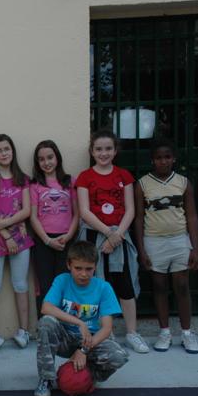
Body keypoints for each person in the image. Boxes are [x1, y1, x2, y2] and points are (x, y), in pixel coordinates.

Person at [75, 130, 147, 353]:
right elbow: (85, 212)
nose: (103, 153)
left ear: (115, 151)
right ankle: (105, 332)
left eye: (108, 148)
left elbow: (130, 209)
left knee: (123, 284)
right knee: (95, 283)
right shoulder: (85, 177)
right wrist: (108, 233)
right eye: (98, 149)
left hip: (120, 237)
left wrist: (117, 237)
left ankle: (132, 333)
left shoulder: (124, 175)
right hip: (93, 236)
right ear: (91, 151)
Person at [33, 241, 129, 396]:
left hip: (90, 341)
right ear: (69, 265)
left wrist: (83, 351)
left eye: (88, 269)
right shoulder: (62, 280)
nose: (83, 274)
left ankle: (87, 375)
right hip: (64, 338)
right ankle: (46, 378)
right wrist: (79, 322)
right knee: (46, 322)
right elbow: (46, 308)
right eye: (78, 268)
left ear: (95, 267)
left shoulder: (104, 288)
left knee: (119, 356)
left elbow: (106, 329)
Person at [134, 139, 198, 354]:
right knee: (160, 286)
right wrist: (142, 250)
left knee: (181, 286)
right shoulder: (142, 184)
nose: (163, 161)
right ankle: (164, 332)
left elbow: (192, 216)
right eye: (159, 158)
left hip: (180, 240)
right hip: (153, 241)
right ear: (152, 160)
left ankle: (187, 333)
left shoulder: (183, 182)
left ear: (174, 159)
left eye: (167, 157)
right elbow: (138, 219)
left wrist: (195, 248)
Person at [0, 134, 33, 350]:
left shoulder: (23, 178)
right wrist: (6, 234)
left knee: (20, 285)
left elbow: (27, 210)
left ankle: (24, 331)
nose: (4, 153)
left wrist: (9, 227)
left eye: (7, 149)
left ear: (12, 151)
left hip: (20, 239)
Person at [29, 140, 79, 313]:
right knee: (45, 285)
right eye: (41, 159)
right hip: (44, 241)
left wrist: (68, 236)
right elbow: (33, 217)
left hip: (66, 239)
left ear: (57, 158)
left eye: (50, 157)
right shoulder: (35, 185)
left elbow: (77, 213)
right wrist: (48, 240)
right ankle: (46, 326)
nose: (46, 162)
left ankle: (66, 326)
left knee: (66, 283)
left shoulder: (70, 181)